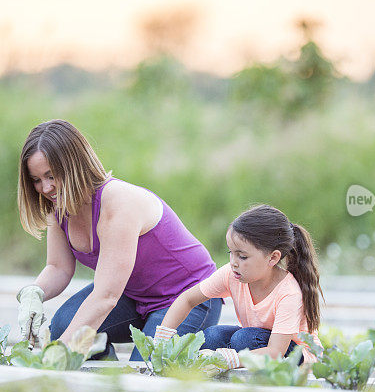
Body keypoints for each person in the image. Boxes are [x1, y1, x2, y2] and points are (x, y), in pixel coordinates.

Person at [16, 119, 222, 360]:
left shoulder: (117, 203)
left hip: (186, 296)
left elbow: (106, 297)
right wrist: (34, 292)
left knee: (146, 369)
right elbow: (58, 267)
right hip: (135, 295)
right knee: (65, 326)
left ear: (74, 165)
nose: (46, 187)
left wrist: (59, 352)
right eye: (36, 180)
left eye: (51, 175)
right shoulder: (59, 207)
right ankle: (102, 382)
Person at [155, 204, 323, 369]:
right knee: (210, 336)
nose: (233, 263)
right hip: (257, 340)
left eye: (242, 256)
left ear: (272, 258)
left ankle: (237, 362)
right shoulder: (232, 274)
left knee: (243, 340)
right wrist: (162, 337)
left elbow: (276, 352)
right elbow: (187, 299)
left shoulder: (289, 292)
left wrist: (231, 359)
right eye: (231, 253)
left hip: (295, 356)